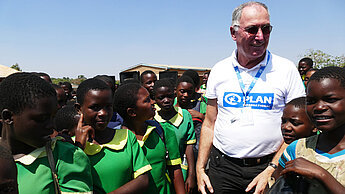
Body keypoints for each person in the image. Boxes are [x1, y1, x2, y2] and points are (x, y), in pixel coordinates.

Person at [196, 2, 305, 194]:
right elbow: (209, 123)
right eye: (252, 29)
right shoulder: (219, 70)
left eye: (266, 29)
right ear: (233, 33)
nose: (260, 36)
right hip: (223, 169)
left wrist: (272, 168)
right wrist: (200, 168)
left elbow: (298, 128)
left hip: (269, 165)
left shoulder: (286, 70)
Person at [0, 73, 93, 194]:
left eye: (53, 117)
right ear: (8, 117)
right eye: (42, 118)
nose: (51, 126)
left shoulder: (66, 156)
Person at [74, 78, 151, 194]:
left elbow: (143, 180)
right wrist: (78, 148)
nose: (103, 113)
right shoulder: (70, 147)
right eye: (95, 107)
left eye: (108, 106)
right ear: (79, 109)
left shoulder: (126, 137)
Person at [276, 66, 345, 193]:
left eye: (331, 100)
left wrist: (321, 174)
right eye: (311, 101)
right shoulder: (297, 149)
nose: (319, 107)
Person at [113, 83, 186, 194]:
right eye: (147, 100)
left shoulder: (163, 131)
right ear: (132, 112)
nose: (153, 102)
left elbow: (175, 169)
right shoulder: (117, 139)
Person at [153, 79, 196, 193]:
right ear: (154, 98)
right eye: (161, 98)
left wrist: (191, 175)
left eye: (169, 96)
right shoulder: (151, 118)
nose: (166, 100)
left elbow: (189, 146)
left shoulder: (185, 115)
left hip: (181, 170)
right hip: (159, 173)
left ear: (174, 94)